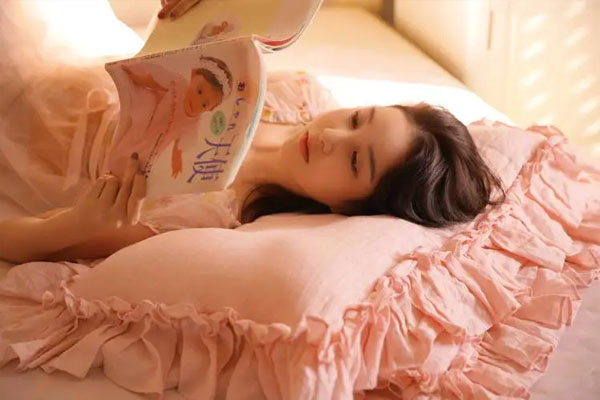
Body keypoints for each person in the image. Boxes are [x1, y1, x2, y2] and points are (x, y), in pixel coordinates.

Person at [0, 1, 504, 264]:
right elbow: (180, 56)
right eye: (356, 119)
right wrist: (189, 15)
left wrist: (78, 223)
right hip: (83, 56)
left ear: (348, 209)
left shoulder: (205, 213)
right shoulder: (299, 94)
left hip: (20, 124)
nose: (332, 137)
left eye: (355, 161)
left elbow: (16, 242)